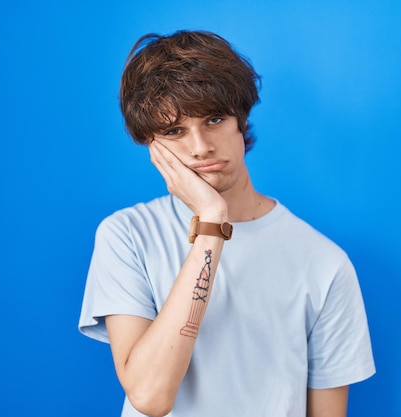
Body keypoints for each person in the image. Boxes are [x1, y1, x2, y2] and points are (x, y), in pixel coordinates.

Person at [79, 30, 375, 417]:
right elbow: (150, 396)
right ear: (151, 144)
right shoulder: (127, 236)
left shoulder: (325, 263)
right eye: (174, 131)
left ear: (241, 120)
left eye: (214, 119)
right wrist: (211, 223)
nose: (200, 146)